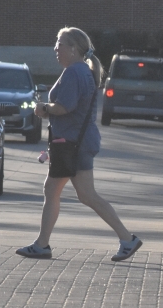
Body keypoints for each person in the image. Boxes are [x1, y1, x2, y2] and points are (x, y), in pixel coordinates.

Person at [16, 27, 142, 261]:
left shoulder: (74, 72)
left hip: (74, 144)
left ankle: (127, 239)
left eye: (60, 43)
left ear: (73, 49)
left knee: (85, 194)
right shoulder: (82, 70)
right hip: (74, 142)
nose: (56, 48)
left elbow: (65, 106)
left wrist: (43, 109)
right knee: (57, 190)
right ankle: (42, 244)